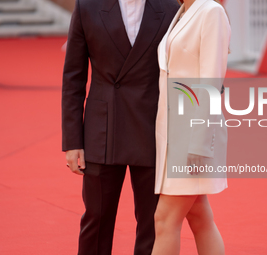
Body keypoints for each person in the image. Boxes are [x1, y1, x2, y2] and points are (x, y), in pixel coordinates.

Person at [61, 0, 179, 254]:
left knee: (152, 224)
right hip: (102, 130)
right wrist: (73, 142)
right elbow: (73, 78)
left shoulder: (169, 7)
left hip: (153, 130)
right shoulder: (87, 6)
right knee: (96, 219)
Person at [152, 0, 231, 254]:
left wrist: (200, 143)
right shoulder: (182, 11)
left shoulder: (211, 11)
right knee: (200, 219)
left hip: (193, 137)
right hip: (173, 135)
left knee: (164, 220)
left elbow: (212, 81)